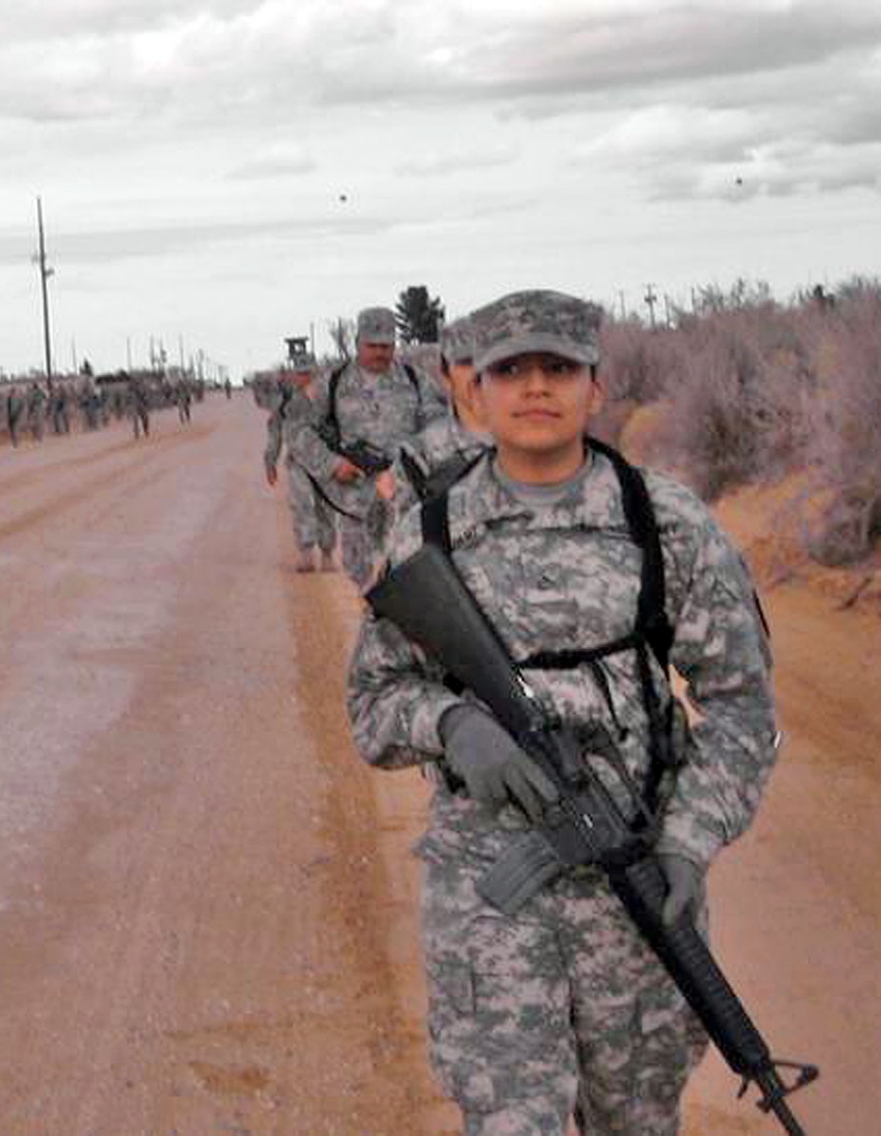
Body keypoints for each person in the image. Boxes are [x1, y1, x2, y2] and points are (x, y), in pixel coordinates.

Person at [346, 289, 778, 1135]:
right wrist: (453, 726)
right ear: (476, 391)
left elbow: (740, 706)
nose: (536, 388)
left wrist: (689, 844)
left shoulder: (663, 522)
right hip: (490, 896)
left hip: (638, 893)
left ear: (596, 386)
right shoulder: (428, 534)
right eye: (512, 370)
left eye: (558, 369)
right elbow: (374, 698)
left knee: (638, 1122)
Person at [291, 306, 446, 588]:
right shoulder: (333, 383)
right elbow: (298, 429)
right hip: (356, 507)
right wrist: (332, 464)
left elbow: (440, 428)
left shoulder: (415, 380)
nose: (380, 353)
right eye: (372, 346)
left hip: (407, 503)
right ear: (357, 343)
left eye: (386, 346)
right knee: (364, 585)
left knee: (412, 584)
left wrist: (415, 460)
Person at [392, 315, 490, 511]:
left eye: (489, 360)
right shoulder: (417, 457)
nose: (479, 371)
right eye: (466, 362)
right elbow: (399, 534)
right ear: (445, 375)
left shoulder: (544, 440)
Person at [265, 355, 337, 572]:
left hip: (325, 463)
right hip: (298, 463)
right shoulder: (285, 402)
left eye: (309, 373)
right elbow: (275, 432)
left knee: (326, 508)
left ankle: (327, 554)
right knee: (302, 506)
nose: (305, 378)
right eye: (301, 373)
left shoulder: (328, 398)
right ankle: (306, 554)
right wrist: (270, 461)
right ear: (293, 375)